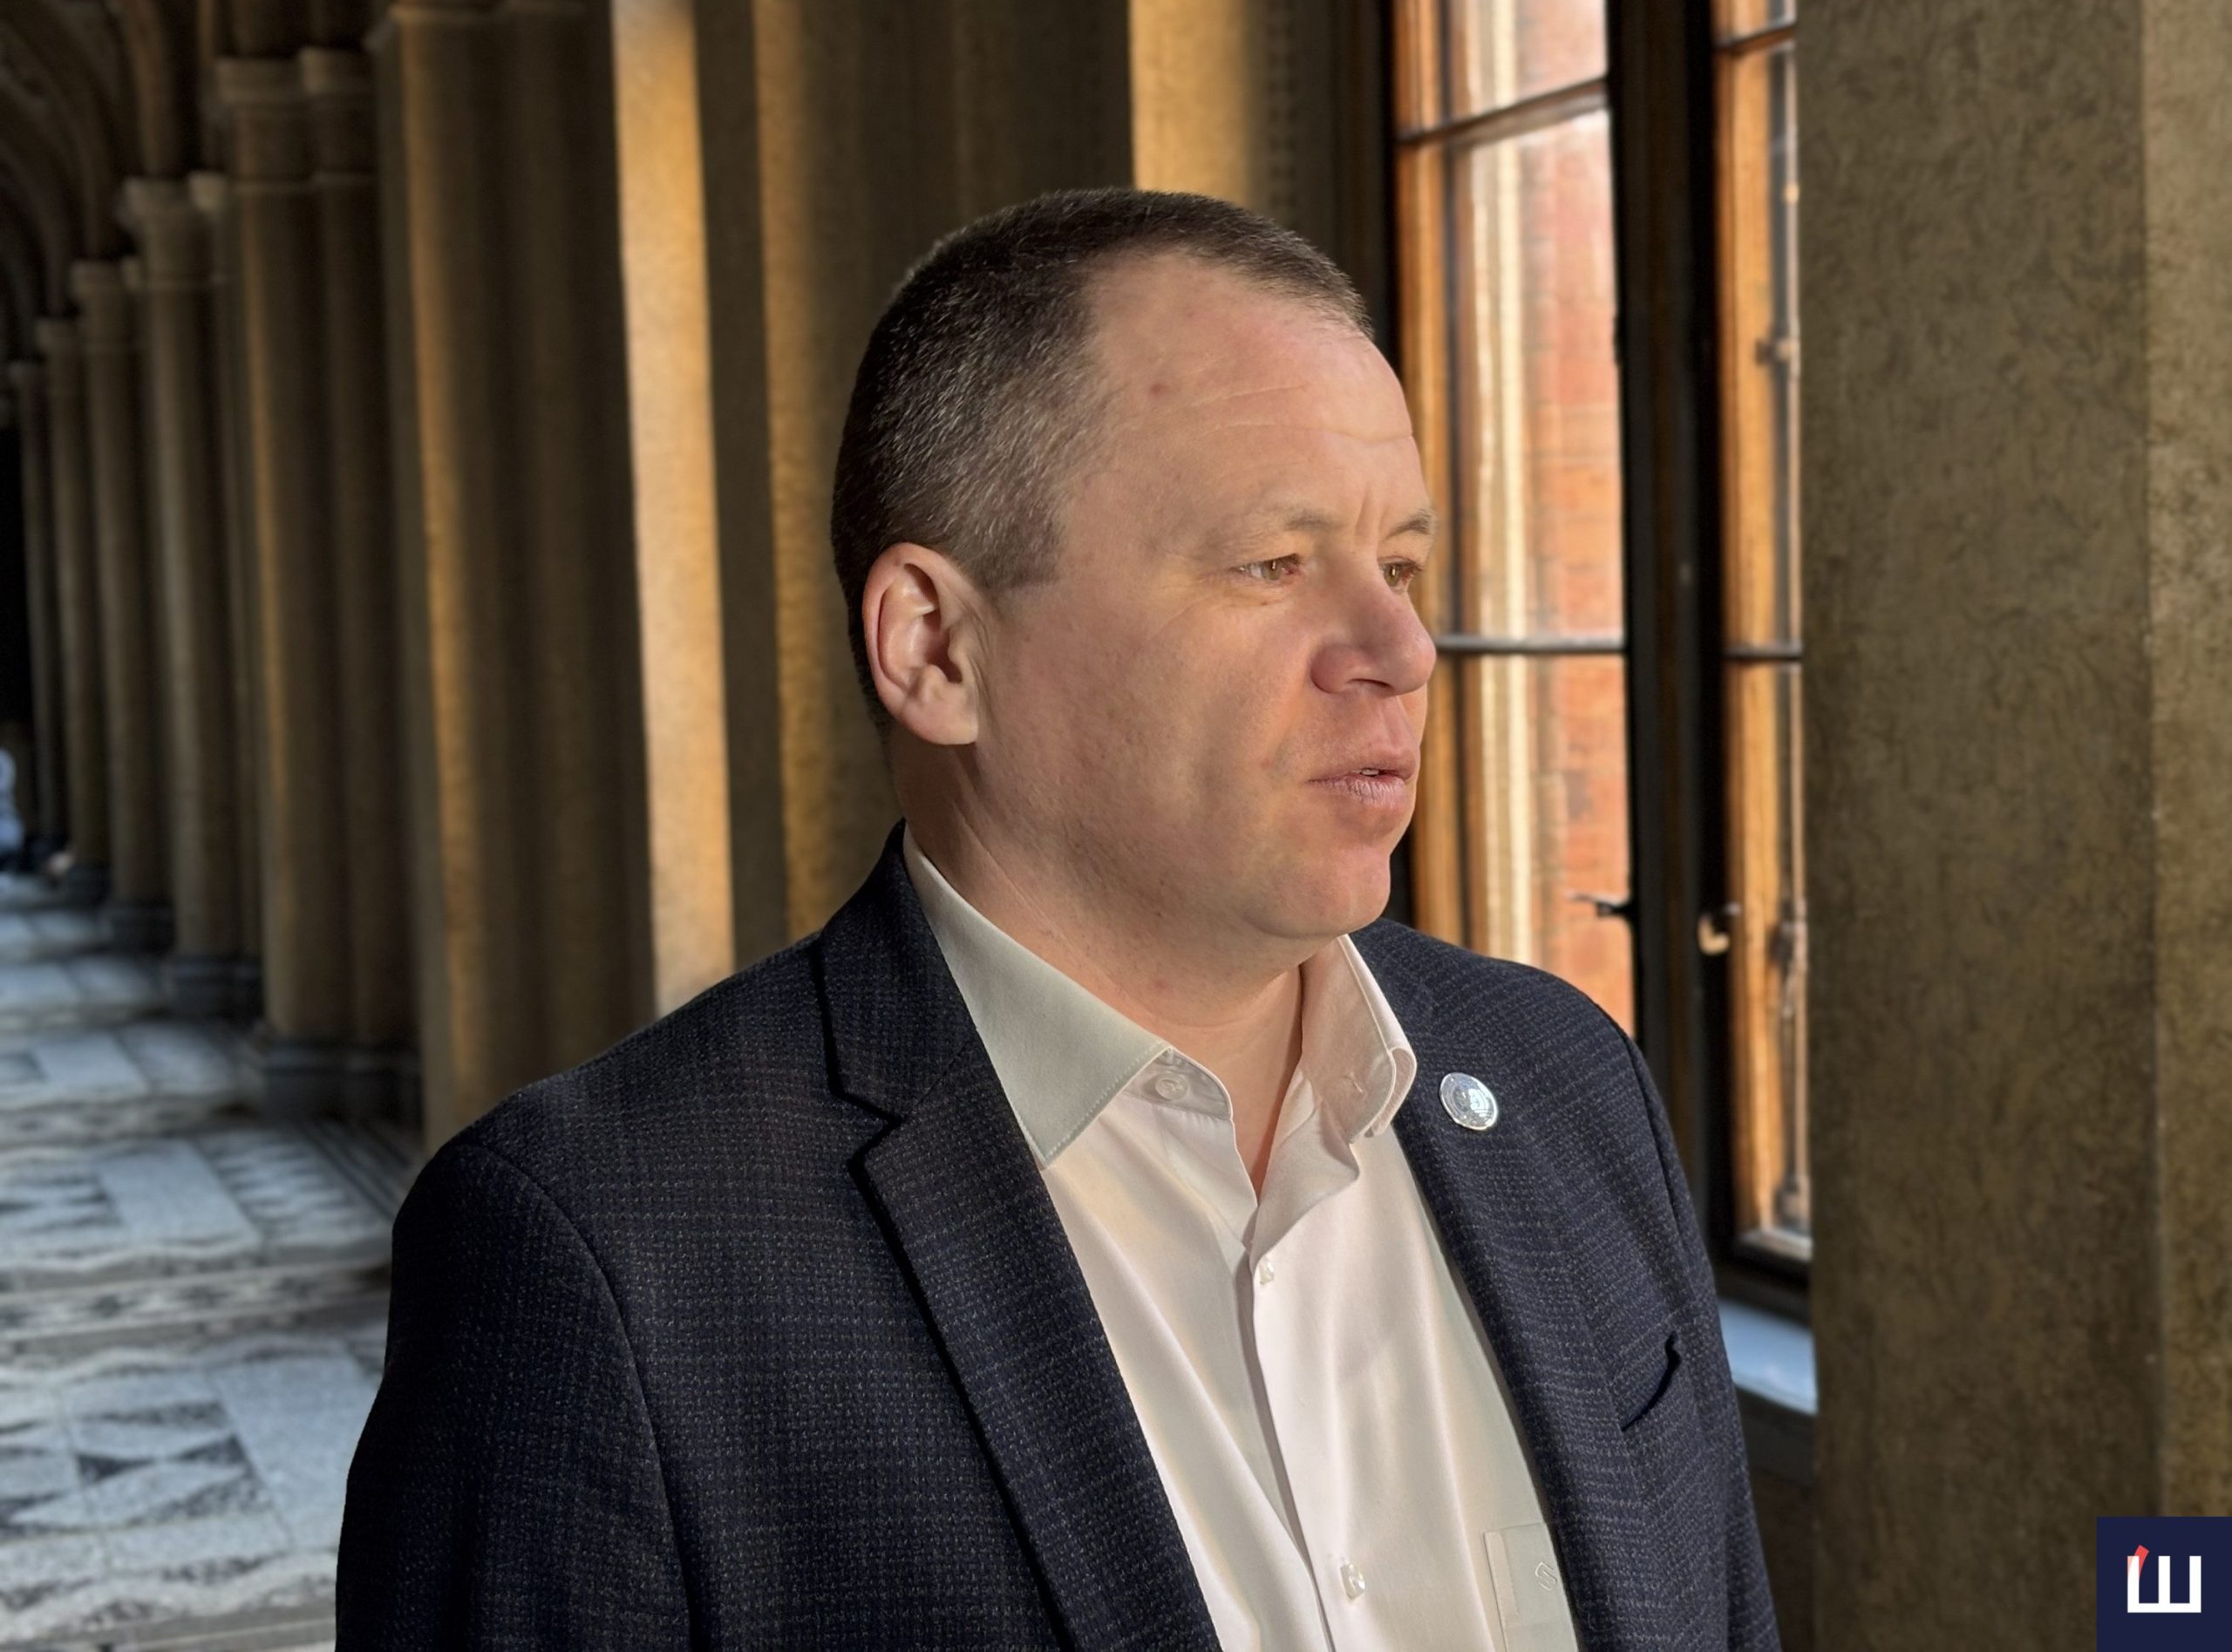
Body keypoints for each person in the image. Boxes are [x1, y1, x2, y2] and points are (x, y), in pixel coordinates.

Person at [337, 187, 1779, 1650]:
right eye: (1273, 564)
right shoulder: (601, 1257)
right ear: (937, 649)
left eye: (1400, 565)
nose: (1402, 649)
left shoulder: (1568, 1080)